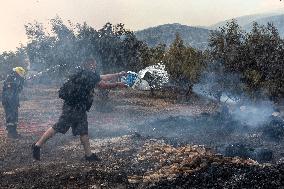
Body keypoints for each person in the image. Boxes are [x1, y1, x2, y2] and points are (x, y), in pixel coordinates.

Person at [32, 58, 127, 161]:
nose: (95, 65)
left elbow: (103, 77)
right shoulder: (89, 74)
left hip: (76, 105)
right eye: (94, 63)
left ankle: (89, 155)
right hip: (74, 106)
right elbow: (103, 85)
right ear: (89, 64)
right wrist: (118, 84)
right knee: (59, 126)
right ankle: (37, 145)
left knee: (83, 130)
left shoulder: (83, 73)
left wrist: (119, 74)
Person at [2, 67, 26, 138]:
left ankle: (14, 132)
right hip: (9, 101)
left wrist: (22, 82)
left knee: (14, 116)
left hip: (14, 101)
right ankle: (10, 133)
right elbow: (10, 90)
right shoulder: (11, 77)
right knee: (10, 116)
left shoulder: (16, 78)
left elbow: (18, 90)